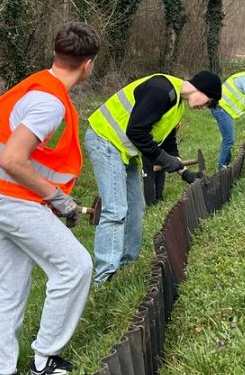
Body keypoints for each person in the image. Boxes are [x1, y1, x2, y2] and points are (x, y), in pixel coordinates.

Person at [0, 22, 101, 375]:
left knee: (9, 285)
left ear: (56, 54)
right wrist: (60, 199)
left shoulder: (37, 83)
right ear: (87, 65)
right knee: (74, 267)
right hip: (5, 198)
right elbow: (12, 158)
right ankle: (44, 363)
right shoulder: (49, 102)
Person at [85, 71, 221, 285]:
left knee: (136, 207)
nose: (205, 107)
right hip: (105, 140)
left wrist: (185, 174)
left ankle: (126, 266)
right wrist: (163, 159)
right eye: (209, 102)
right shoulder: (161, 90)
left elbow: (168, 145)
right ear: (202, 89)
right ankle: (104, 278)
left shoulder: (176, 105)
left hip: (125, 151)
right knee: (115, 208)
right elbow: (136, 131)